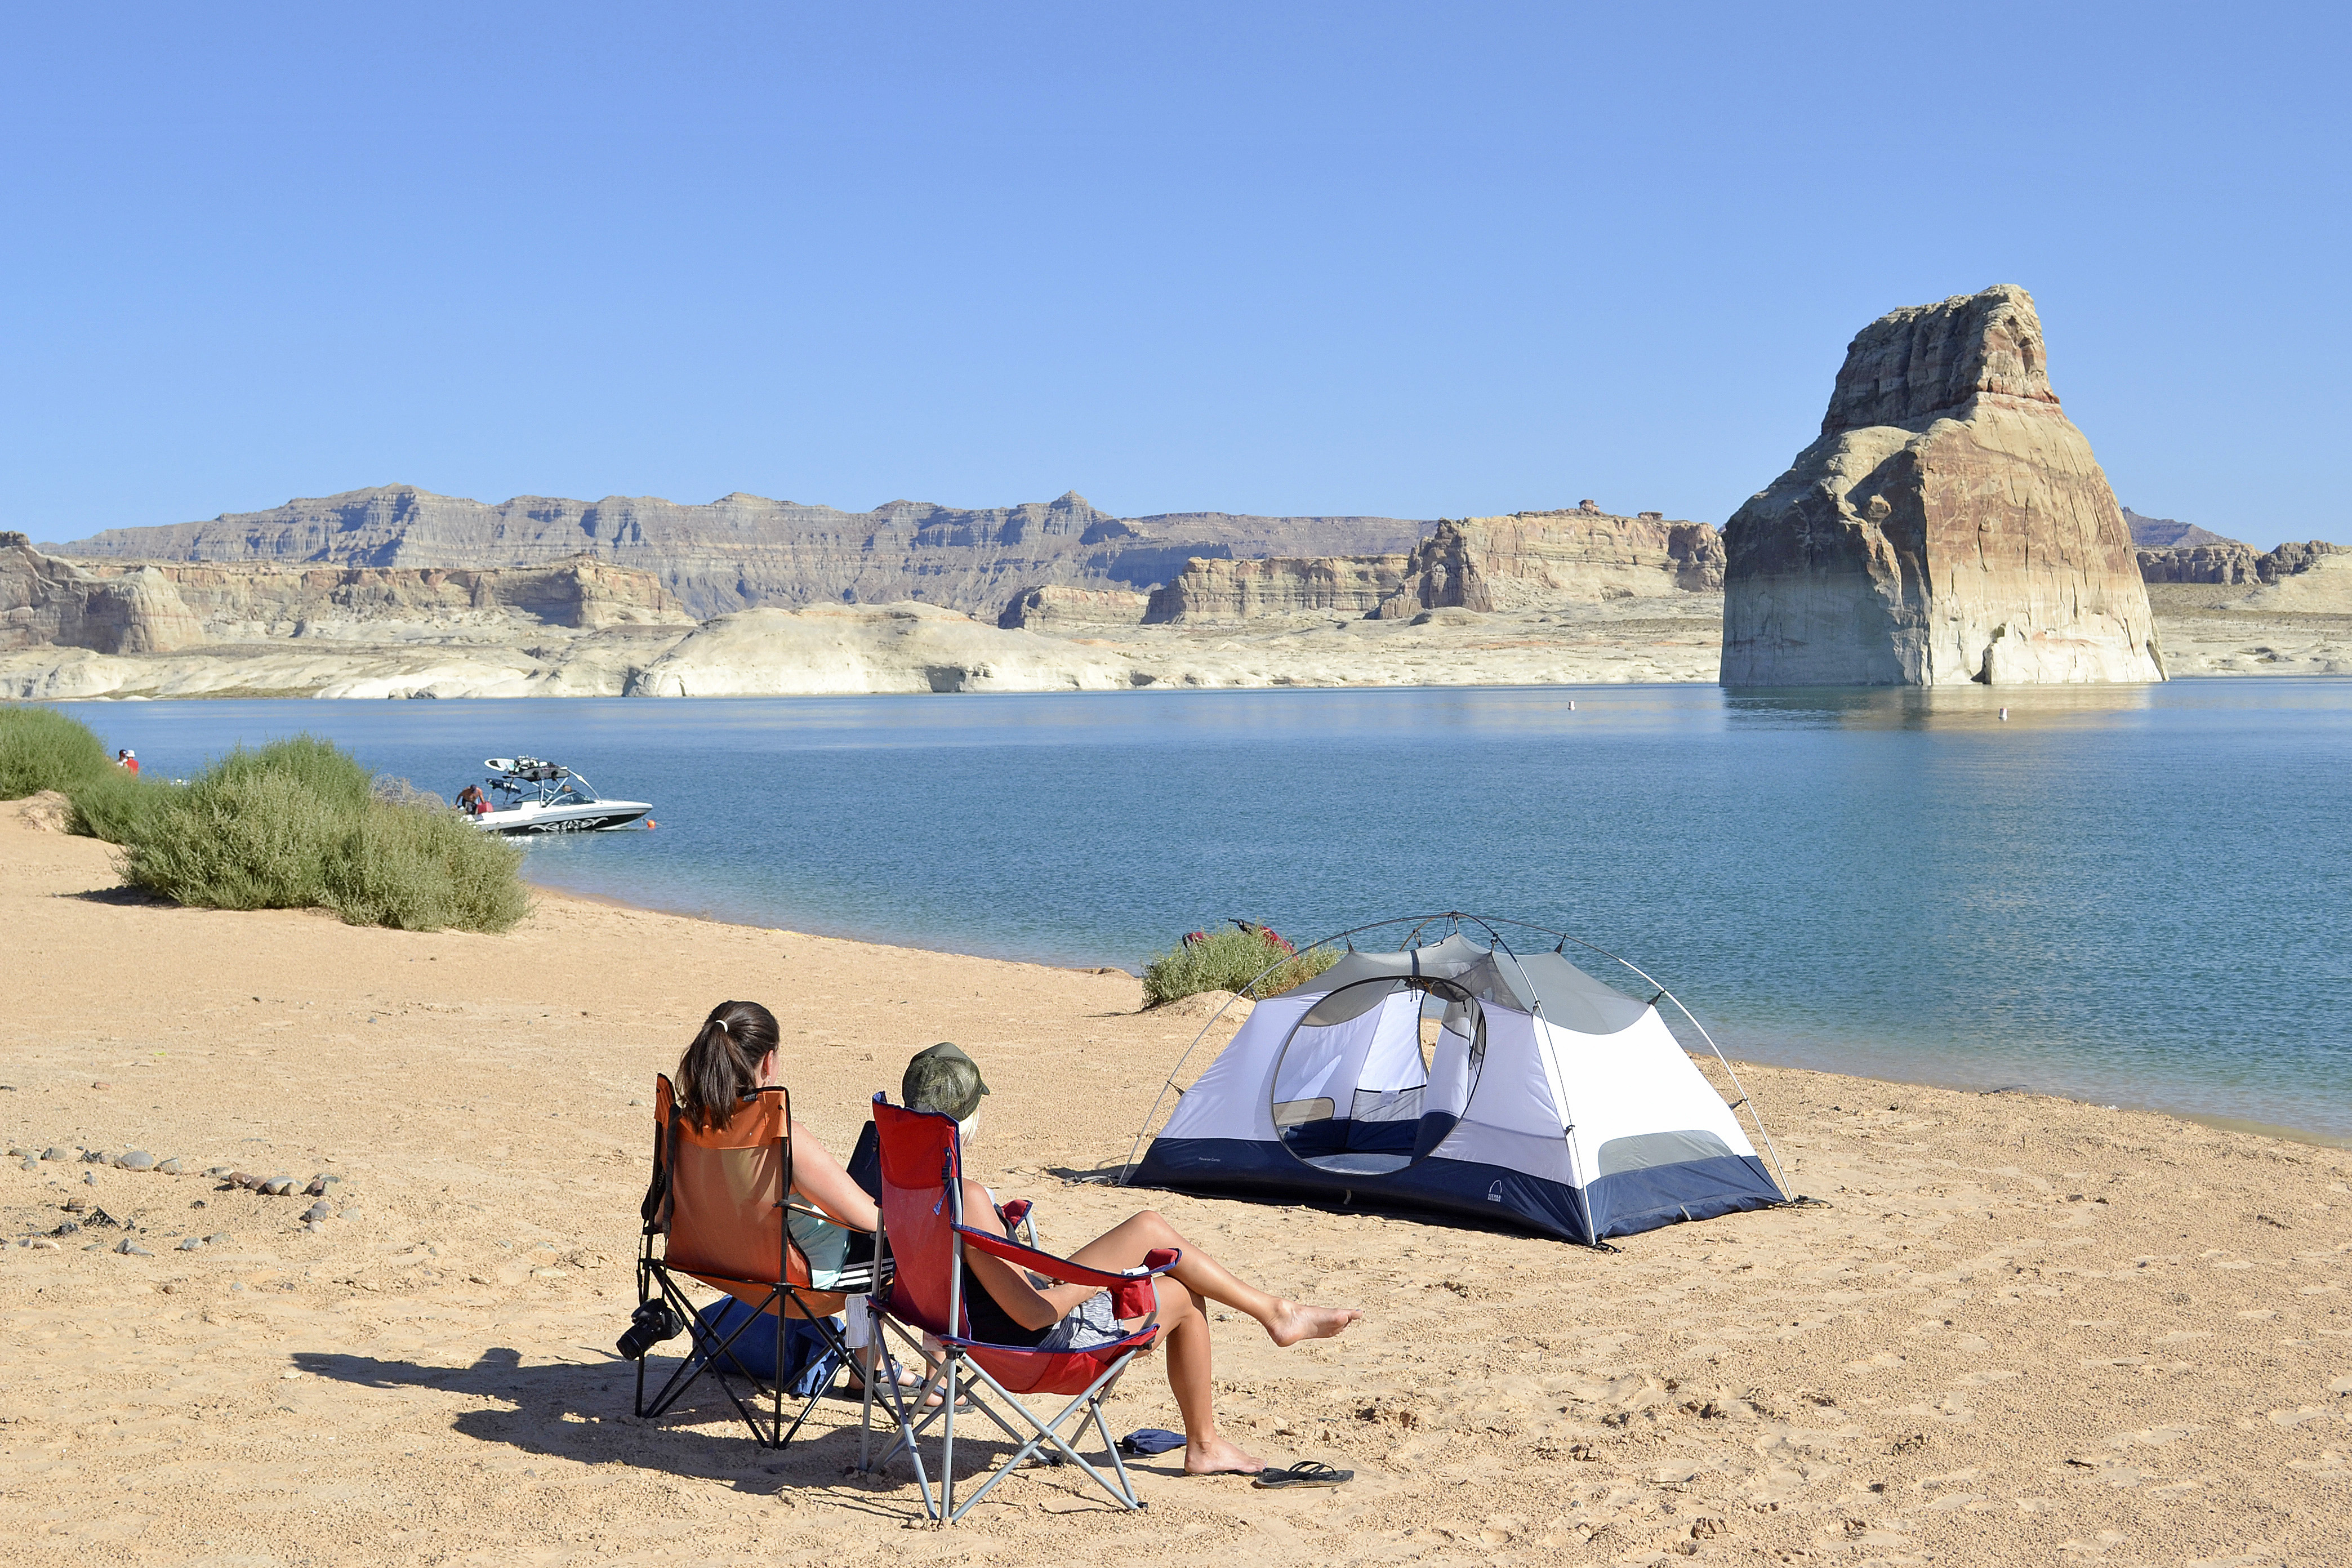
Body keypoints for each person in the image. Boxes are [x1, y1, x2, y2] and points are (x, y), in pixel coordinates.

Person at [903, 1043, 1362, 1478]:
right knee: (1172, 1275)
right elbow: (1031, 1315)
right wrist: (1095, 1282)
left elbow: (985, 1282)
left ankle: (1272, 1322)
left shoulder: (903, 1192)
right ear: (965, 1120)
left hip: (969, 1335)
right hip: (1034, 1348)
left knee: (1149, 1237)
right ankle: (1215, 1424)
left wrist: (1046, 1273)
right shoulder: (967, 1197)